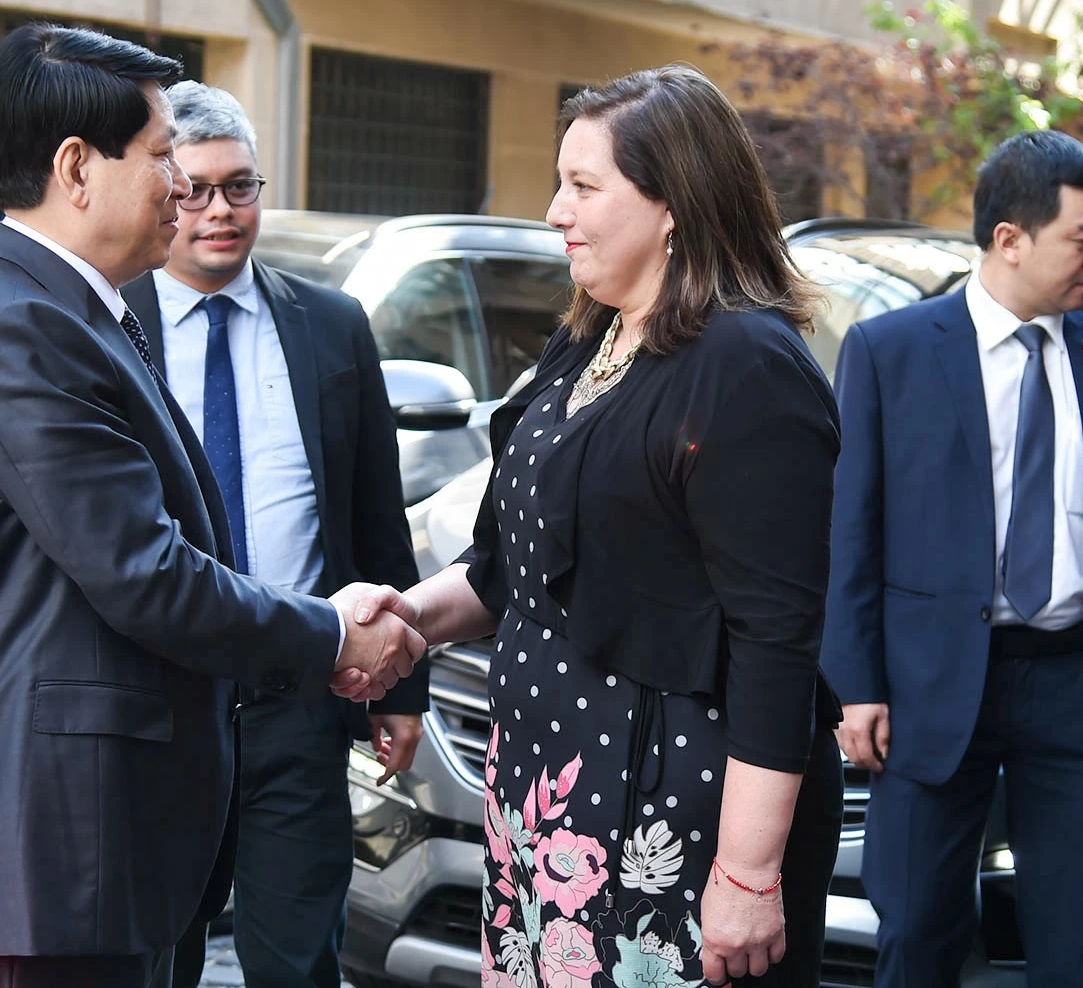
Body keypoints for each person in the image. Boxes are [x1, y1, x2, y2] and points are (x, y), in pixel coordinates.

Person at [0, 24, 424, 988]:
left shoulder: (68, 310)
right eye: (165, 156)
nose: (182, 186)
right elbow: (146, 573)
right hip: (45, 850)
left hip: (80, 842)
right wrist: (332, 630)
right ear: (77, 168)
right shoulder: (27, 330)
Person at [362, 65, 845, 987]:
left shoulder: (746, 365)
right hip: (547, 792)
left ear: (675, 203)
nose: (554, 210)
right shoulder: (592, 333)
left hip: (671, 810)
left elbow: (776, 642)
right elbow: (513, 570)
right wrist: (402, 622)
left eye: (583, 186)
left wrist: (746, 873)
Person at [822, 129, 1083, 987]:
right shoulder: (890, 352)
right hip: (930, 684)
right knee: (919, 927)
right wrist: (855, 683)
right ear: (1009, 238)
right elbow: (853, 531)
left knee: (1081, 941)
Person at [121, 81, 428, 988]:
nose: (219, 211)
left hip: (296, 694)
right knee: (152, 960)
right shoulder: (108, 324)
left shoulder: (329, 325)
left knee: (297, 963)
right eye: (196, 188)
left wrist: (398, 684)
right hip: (155, 706)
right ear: (163, 192)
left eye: (241, 186)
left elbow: (376, 510)